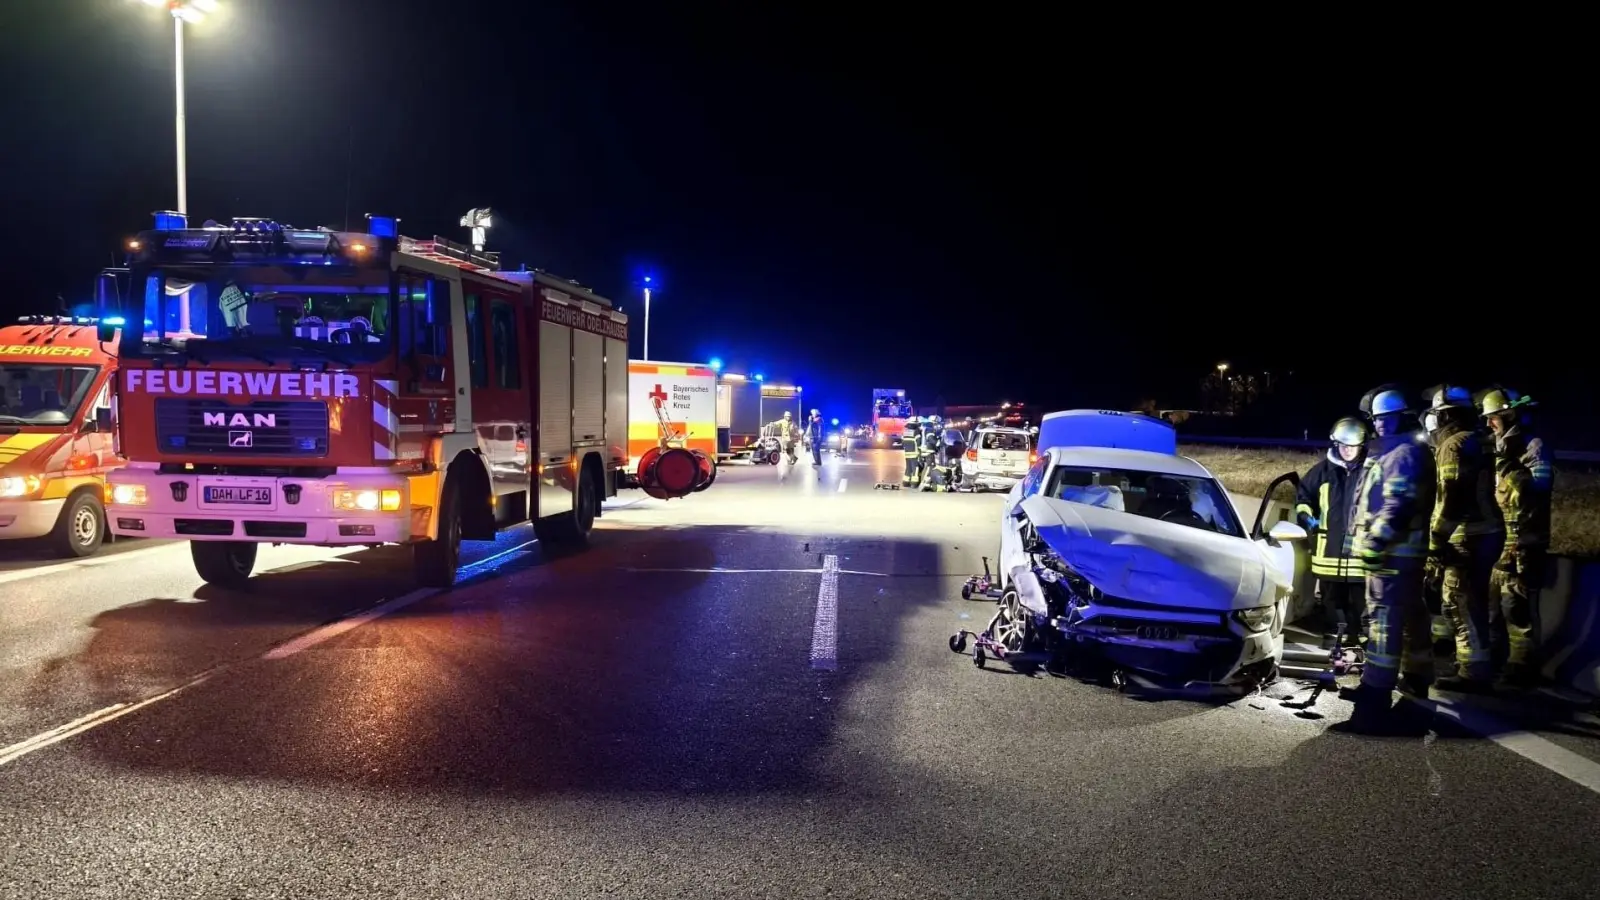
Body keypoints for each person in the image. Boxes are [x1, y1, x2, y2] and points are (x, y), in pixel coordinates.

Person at [1339, 387, 1437, 734]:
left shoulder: (1405, 454)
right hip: (1400, 556)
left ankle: (1375, 695)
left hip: (1392, 556)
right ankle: (1415, 681)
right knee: (1411, 619)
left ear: (1404, 416)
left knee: (1383, 626)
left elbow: (1397, 504)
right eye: (1377, 419)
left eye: (1387, 418)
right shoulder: (1400, 451)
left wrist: (1374, 544)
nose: (1380, 425)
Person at [1420, 384, 1504, 692]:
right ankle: (1477, 664)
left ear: (1444, 418)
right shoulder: (1480, 440)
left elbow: (1451, 498)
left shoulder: (1452, 445)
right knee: (1475, 601)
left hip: (1467, 535)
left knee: (1458, 601)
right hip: (1489, 531)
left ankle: (1473, 672)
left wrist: (1435, 541)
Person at [1481, 387, 1554, 688]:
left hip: (1525, 542)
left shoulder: (1533, 447)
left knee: (1517, 606)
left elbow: (1537, 494)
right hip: (1501, 539)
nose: (1489, 425)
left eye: (1493, 418)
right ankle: (1499, 661)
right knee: (1495, 606)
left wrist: (1514, 471)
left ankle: (1522, 667)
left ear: (1508, 414)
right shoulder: (1498, 445)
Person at [1293, 416, 1371, 647]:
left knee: (1362, 600)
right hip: (1328, 551)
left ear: (1362, 445)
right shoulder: (1321, 472)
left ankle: (1362, 640)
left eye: (1353, 446)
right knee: (1331, 598)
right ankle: (1336, 637)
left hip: (1360, 553)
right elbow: (1303, 499)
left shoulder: (1372, 471)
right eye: (1343, 445)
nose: (1348, 451)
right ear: (1335, 444)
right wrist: (1308, 519)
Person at [901, 419, 923, 487]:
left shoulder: (905, 432)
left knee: (908, 467)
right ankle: (914, 483)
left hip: (907, 453)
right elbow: (918, 442)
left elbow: (902, 442)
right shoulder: (916, 431)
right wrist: (921, 449)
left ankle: (905, 482)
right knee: (915, 468)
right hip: (914, 453)